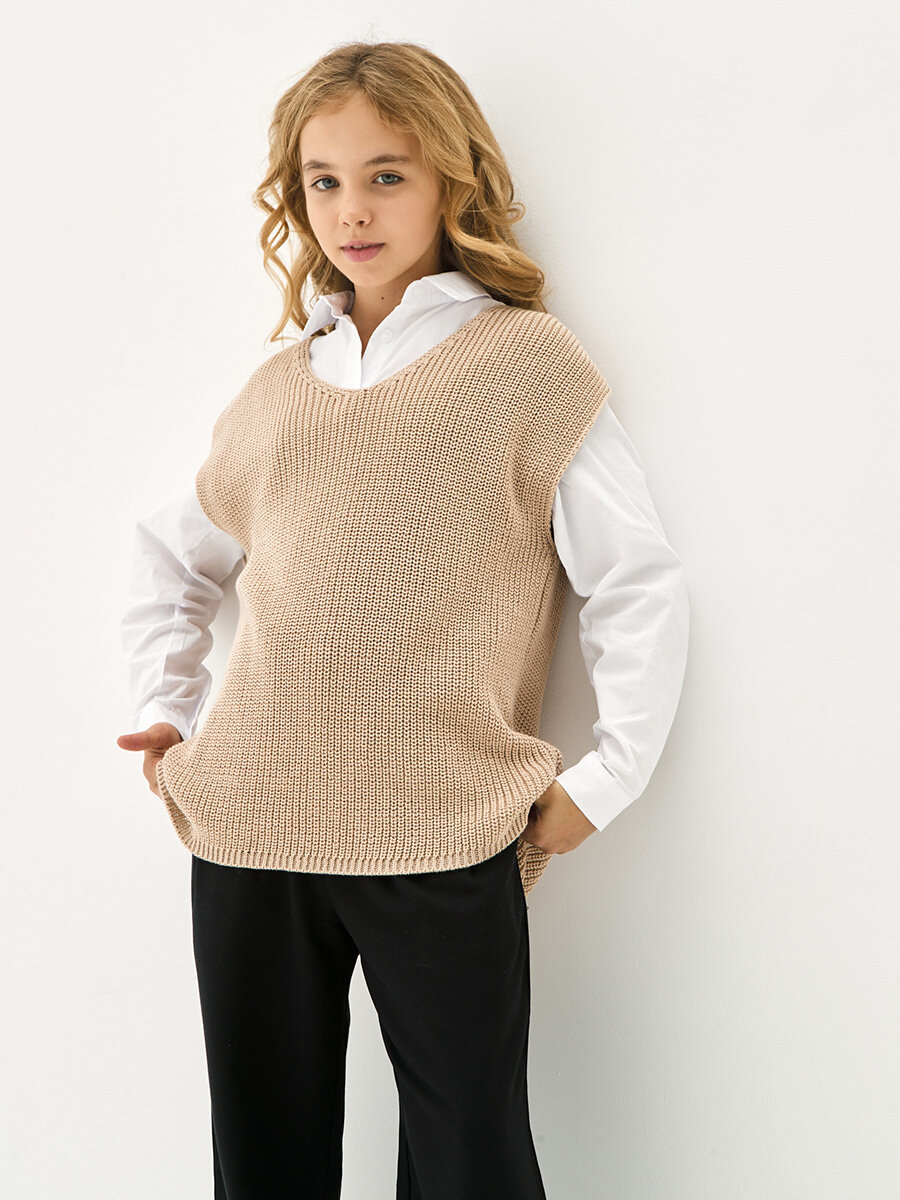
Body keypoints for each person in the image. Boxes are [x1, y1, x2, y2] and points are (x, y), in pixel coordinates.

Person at [116, 40, 689, 1200]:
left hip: (443, 827)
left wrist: (608, 778)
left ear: (450, 179)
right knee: (262, 1165)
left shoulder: (525, 364)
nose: (353, 210)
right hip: (251, 829)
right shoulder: (281, 389)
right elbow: (173, 552)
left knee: (472, 1160)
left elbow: (636, 581)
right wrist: (163, 708)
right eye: (324, 181)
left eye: (387, 175)